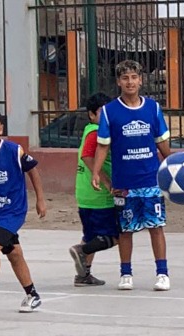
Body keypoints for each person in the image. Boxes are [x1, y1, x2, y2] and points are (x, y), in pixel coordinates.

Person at [90, 59, 172, 291]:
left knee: (156, 226)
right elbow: (103, 146)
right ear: (119, 82)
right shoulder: (108, 111)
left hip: (151, 180)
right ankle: (126, 273)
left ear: (141, 80)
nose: (130, 82)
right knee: (125, 229)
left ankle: (162, 273)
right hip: (123, 182)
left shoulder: (153, 108)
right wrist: (96, 172)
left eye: (134, 77)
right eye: (125, 78)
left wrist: (174, 163)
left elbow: (161, 142)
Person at [68, 92, 119, 286]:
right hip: (99, 196)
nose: (106, 116)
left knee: (91, 236)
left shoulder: (91, 130)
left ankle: (83, 275)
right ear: (91, 115)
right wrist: (106, 181)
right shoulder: (96, 132)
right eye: (101, 112)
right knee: (117, 235)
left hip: (85, 194)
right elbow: (87, 156)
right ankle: (81, 251)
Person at [0, 113, 47, 312]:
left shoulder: (13, 151)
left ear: (1, 129)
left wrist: (40, 199)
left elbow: (33, 171)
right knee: (14, 254)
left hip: (12, 211)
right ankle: (32, 294)